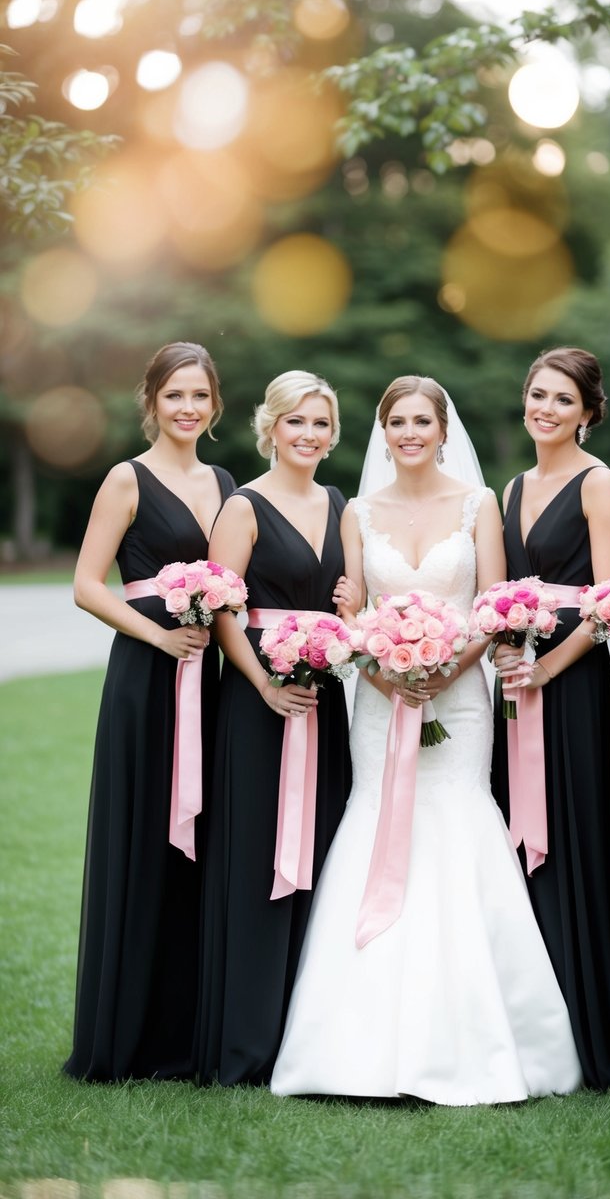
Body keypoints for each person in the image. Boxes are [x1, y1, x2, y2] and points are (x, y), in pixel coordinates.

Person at [270, 375, 582, 1106]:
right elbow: (349, 616)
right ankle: (354, 1046)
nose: (409, 432)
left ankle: (481, 1035)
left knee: (457, 823)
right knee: (378, 821)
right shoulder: (357, 513)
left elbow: (493, 607)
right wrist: (388, 677)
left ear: (444, 430)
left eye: (421, 420)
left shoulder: (479, 505)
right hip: (378, 703)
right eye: (396, 421)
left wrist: (443, 667)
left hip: (462, 700)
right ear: (382, 432)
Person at [64, 341, 235, 1082]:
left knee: (201, 845)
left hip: (213, 678)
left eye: (199, 396)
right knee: (141, 837)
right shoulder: (125, 479)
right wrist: (161, 638)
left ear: (215, 405)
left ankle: (185, 1034)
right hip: (145, 678)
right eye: (174, 396)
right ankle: (126, 1036)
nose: (187, 408)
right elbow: (86, 585)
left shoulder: (227, 483)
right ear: (152, 402)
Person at [196, 371, 352, 1086]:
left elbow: (354, 602)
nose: (309, 435)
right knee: (255, 855)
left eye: (320, 423)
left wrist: (355, 602)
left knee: (323, 853)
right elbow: (222, 608)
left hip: (324, 699)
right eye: (296, 422)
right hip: (257, 703)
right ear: (271, 426)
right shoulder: (243, 506)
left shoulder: (339, 504)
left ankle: (310, 1033)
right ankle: (244, 1039)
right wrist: (261, 684)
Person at [491, 347, 610, 1091]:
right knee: (519, 839)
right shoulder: (513, 487)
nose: (544, 408)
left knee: (576, 836)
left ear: (586, 412)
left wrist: (548, 666)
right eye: (536, 394)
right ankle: (534, 1025)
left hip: (574, 689)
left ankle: (593, 1023)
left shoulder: (597, 482)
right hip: (515, 686)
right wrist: (507, 649)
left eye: (560, 399)